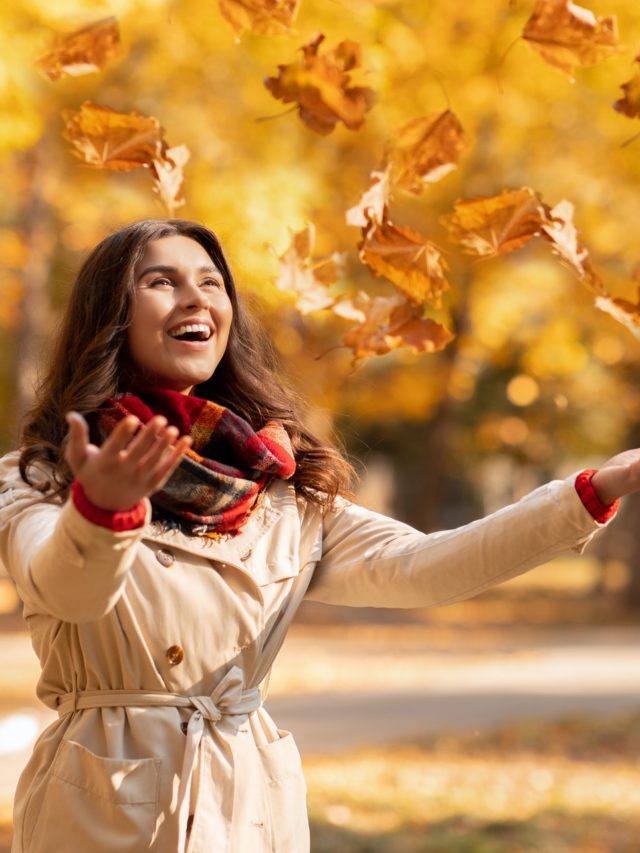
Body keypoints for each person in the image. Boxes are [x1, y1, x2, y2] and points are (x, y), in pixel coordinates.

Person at [1, 218, 638, 853]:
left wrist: (590, 493)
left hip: (246, 804)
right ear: (110, 316)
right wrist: (101, 511)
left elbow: (424, 566)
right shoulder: (38, 480)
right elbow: (67, 591)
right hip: (102, 811)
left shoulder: (277, 490)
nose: (196, 298)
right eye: (160, 282)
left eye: (210, 283)